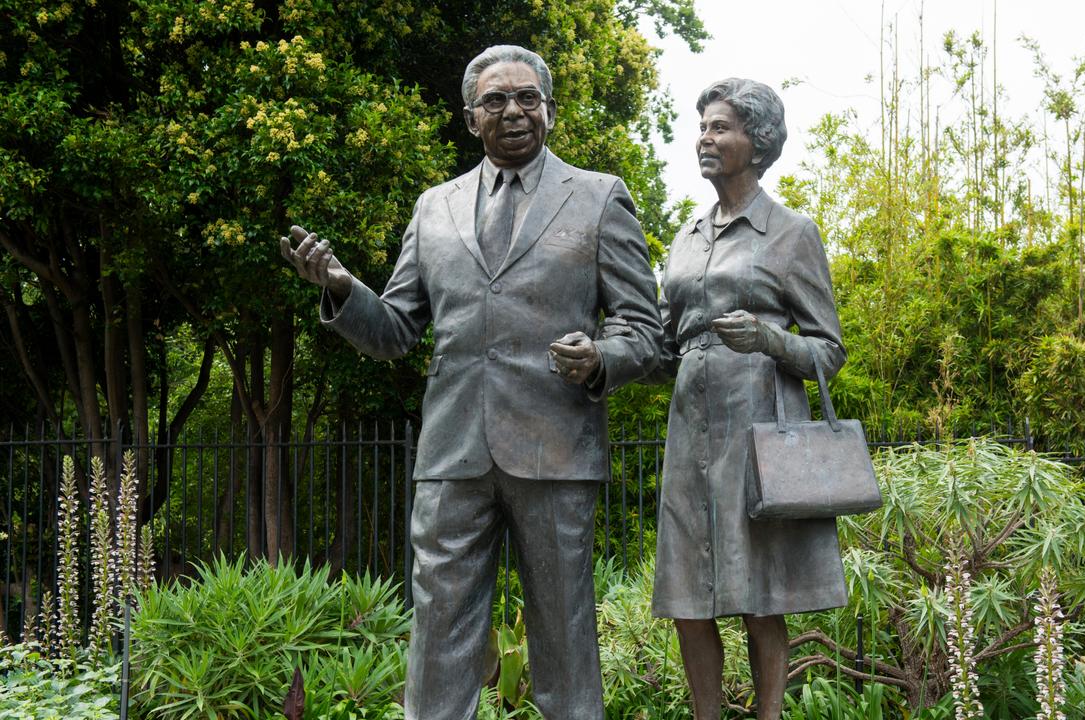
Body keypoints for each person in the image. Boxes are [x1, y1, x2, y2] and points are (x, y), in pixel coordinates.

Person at [279, 45, 662, 720]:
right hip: (454, 453)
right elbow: (396, 329)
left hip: (556, 448)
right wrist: (343, 289)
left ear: (551, 109)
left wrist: (602, 356)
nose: (512, 111)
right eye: (495, 100)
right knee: (440, 633)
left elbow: (645, 329)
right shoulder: (434, 209)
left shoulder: (600, 197)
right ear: (469, 117)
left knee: (565, 638)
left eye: (526, 98)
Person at [651, 78, 849, 719]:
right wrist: (602, 352)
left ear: (757, 143)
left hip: (760, 433)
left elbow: (828, 351)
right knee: (687, 595)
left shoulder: (791, 234)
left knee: (761, 595)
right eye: (703, 128)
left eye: (720, 128)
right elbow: (660, 341)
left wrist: (769, 339)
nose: (704, 139)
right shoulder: (685, 239)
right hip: (690, 430)